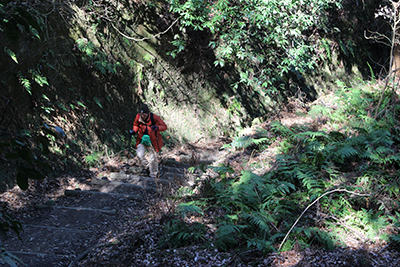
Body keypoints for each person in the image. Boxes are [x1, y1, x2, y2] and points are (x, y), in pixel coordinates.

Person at [129, 104, 167, 178]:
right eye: (141, 114)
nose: (142, 116)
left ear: (148, 113)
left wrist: (157, 127)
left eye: (144, 114)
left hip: (153, 141)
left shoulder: (154, 117)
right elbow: (136, 125)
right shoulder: (138, 117)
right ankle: (147, 167)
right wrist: (134, 131)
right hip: (142, 140)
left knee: (153, 159)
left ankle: (153, 175)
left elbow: (164, 126)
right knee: (139, 154)